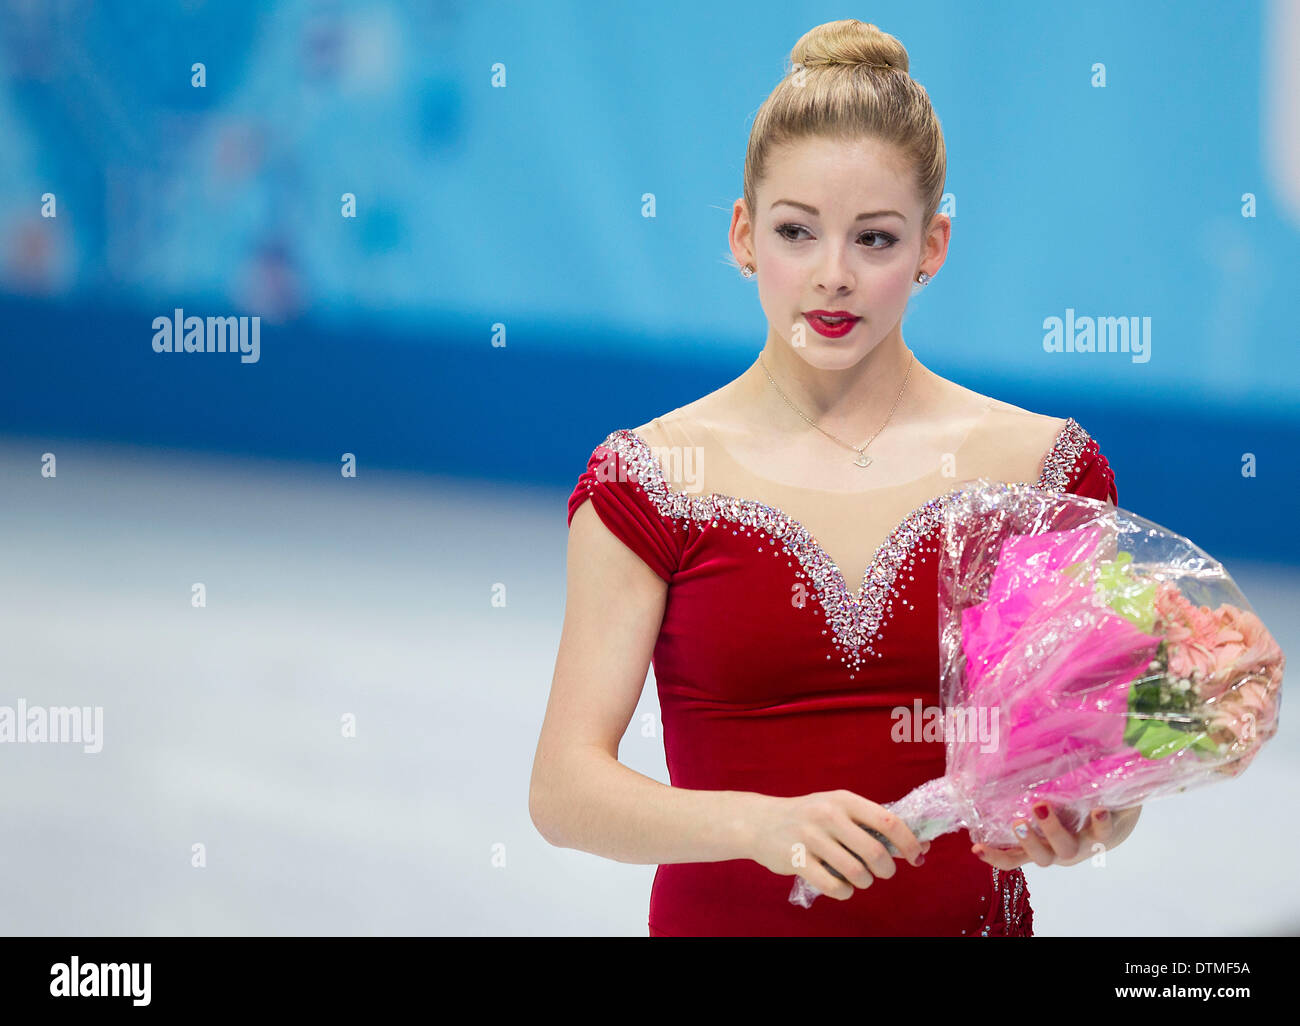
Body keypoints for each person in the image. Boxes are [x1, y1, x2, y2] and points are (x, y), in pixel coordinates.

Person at [530, 18, 1141, 936]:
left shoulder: (1040, 474)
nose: (832, 276)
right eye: (796, 231)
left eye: (875, 240)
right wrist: (760, 823)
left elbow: (1094, 769)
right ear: (743, 235)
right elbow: (564, 790)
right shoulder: (651, 481)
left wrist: (1090, 822)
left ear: (933, 247)